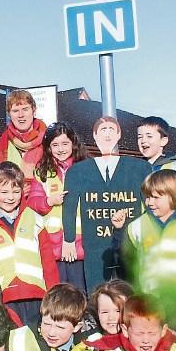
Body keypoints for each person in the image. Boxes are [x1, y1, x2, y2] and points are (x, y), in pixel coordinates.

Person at [61, 117, 152, 292]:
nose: (107, 134)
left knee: (132, 290)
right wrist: (69, 239)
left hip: (129, 241)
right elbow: (69, 206)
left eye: (112, 129)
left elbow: (150, 204)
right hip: (94, 242)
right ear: (94, 136)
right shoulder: (78, 171)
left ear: (119, 135)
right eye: (103, 130)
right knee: (97, 292)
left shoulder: (139, 168)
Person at [0, 161, 59, 328]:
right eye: (4, 191)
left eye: (15, 191)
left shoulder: (35, 218)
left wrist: (53, 296)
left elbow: (48, 262)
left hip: (37, 296)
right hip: (4, 297)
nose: (10, 197)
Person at [26, 121, 89, 292]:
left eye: (65, 143)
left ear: (73, 143)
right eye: (55, 145)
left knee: (81, 293)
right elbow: (32, 201)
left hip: (81, 245)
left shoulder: (86, 169)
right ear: (48, 147)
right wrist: (48, 201)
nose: (60, 149)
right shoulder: (42, 171)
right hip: (54, 247)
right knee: (59, 295)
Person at [136, 116, 176, 208]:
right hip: (143, 221)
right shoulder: (134, 168)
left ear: (163, 141)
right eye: (140, 137)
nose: (143, 140)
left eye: (149, 136)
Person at [0, 90, 47, 179]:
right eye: (15, 111)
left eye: (25, 109)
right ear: (9, 114)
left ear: (34, 110)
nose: (20, 115)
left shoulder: (50, 141)